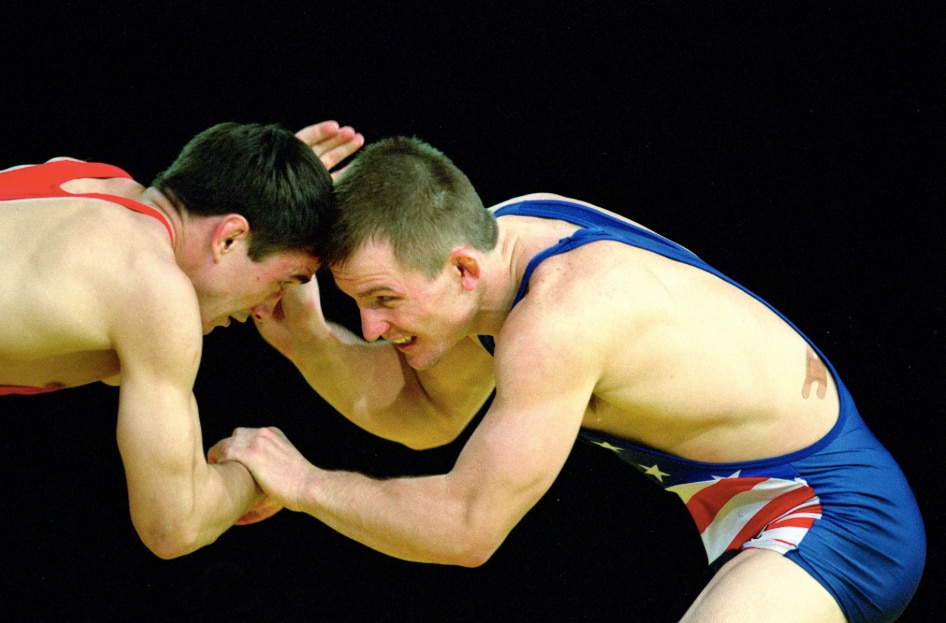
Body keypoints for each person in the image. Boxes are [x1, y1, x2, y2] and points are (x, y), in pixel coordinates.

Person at [210, 136, 925, 622]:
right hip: (781, 503)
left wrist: (303, 483)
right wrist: (309, 341)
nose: (371, 328)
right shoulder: (500, 241)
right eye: (358, 303)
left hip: (841, 519)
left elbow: (466, 529)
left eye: (383, 299)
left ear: (461, 269)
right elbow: (427, 417)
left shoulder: (562, 317)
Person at [0, 120, 363, 559]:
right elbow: (173, 526)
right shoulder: (153, 289)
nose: (266, 310)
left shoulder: (84, 178)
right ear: (230, 237)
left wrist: (277, 189)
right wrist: (259, 475)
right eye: (283, 282)